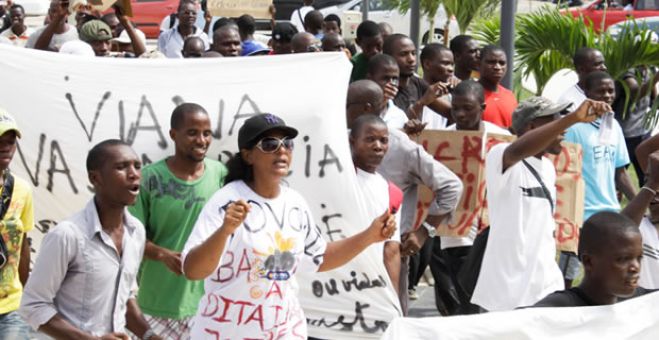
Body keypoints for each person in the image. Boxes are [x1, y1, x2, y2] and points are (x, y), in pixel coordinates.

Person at [181, 113, 396, 338]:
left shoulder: (294, 203)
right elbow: (193, 270)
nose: (281, 150)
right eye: (270, 144)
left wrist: (370, 236)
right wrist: (224, 231)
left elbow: (319, 257)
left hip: (285, 330)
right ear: (248, 155)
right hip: (226, 332)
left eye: (287, 144)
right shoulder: (227, 201)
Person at [471, 97, 610, 311]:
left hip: (544, 288)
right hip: (506, 294)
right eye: (554, 120)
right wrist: (572, 118)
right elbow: (517, 150)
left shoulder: (548, 168)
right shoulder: (500, 154)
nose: (562, 129)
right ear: (531, 126)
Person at [20, 140, 162, 340]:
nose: (134, 174)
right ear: (96, 178)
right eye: (121, 167)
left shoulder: (136, 231)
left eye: (137, 166)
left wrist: (149, 335)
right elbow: (33, 306)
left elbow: (124, 295)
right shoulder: (67, 235)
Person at [346, 81, 463, 314]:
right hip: (346, 254)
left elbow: (451, 186)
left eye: (347, 105)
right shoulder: (339, 140)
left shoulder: (400, 147)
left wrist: (424, 231)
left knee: (390, 321)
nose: (378, 147)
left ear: (366, 108)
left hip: (388, 258)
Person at [128, 104, 227, 339]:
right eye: (192, 132)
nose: (201, 140)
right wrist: (162, 254)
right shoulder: (149, 179)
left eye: (207, 133)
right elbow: (130, 237)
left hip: (207, 305)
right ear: (173, 134)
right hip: (156, 304)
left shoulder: (221, 175)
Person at [429, 80, 511, 315]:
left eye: (468, 108)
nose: (460, 114)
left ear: (482, 108)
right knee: (468, 301)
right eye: (455, 108)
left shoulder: (501, 139)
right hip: (456, 234)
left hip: (493, 231)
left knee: (493, 301)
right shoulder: (440, 139)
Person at [560, 71, 636, 288]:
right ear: (587, 93)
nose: (607, 95)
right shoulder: (574, 129)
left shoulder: (615, 127)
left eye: (610, 90)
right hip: (580, 214)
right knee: (568, 272)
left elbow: (620, 173)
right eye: (600, 91)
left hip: (610, 212)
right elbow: (565, 173)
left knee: (606, 271)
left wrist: (639, 201)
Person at [532, 212, 654, 307]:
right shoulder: (557, 311)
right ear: (589, 262)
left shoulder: (642, 304)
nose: (635, 268)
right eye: (622, 259)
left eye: (639, 258)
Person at [350, 114, 404, 296]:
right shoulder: (338, 179)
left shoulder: (392, 193)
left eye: (383, 140)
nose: (378, 146)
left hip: (371, 289)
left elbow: (391, 250)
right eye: (370, 139)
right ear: (352, 142)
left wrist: (394, 299)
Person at [0, 109, 34, 338]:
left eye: (10, 142)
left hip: (11, 306)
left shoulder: (21, 190)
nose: (6, 147)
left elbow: (23, 247)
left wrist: (30, 295)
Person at [384, 34, 451, 123]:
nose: (411, 59)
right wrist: (422, 103)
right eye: (403, 54)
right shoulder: (383, 88)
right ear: (389, 57)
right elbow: (398, 124)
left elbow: (451, 113)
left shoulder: (417, 82)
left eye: (413, 53)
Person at [613, 66, 659, 186]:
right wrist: (656, 77)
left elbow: (654, 100)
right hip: (625, 135)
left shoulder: (649, 70)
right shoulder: (627, 71)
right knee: (618, 177)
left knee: (648, 177)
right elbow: (636, 93)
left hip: (643, 133)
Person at [420, 43, 461, 129]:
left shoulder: (449, 95)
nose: (451, 69)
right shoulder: (416, 91)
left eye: (452, 64)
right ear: (427, 64)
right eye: (445, 64)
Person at [365, 54, 409, 129]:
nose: (391, 83)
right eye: (385, 78)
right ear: (370, 79)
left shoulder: (399, 116)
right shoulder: (357, 109)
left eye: (395, 79)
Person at [478, 45, 517, 129]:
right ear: (479, 63)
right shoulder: (469, 94)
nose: (497, 67)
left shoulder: (510, 96)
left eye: (502, 63)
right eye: (491, 62)